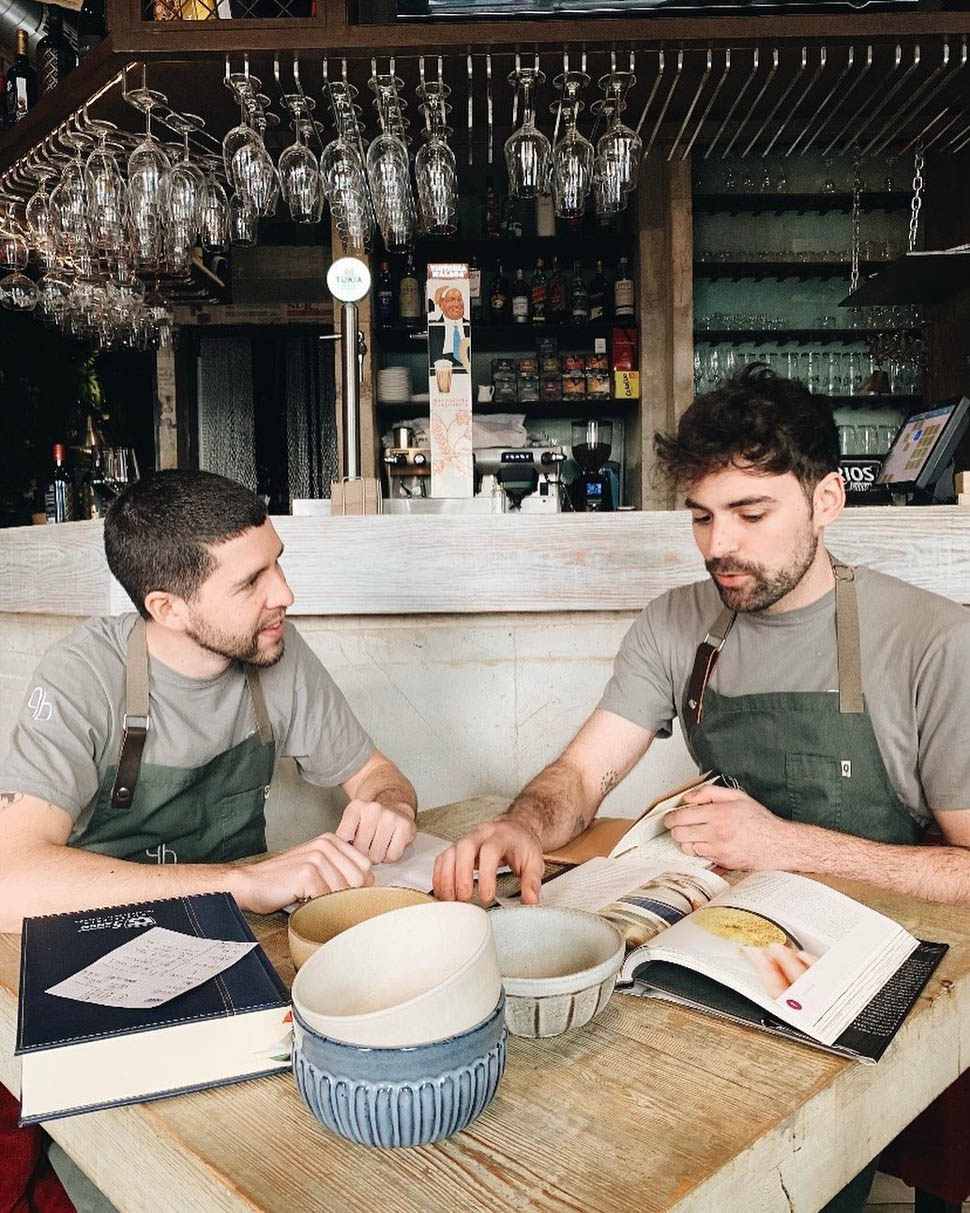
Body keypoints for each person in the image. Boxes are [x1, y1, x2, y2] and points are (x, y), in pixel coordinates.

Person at [433, 364, 970, 1211]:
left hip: (881, 955)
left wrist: (785, 845)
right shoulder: (680, 623)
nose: (719, 544)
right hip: (724, 933)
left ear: (827, 500)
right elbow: (581, 774)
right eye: (701, 516)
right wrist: (522, 825)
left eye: (751, 514)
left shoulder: (934, 642)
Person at [0, 469, 419, 935]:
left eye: (277, 563)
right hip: (105, 938)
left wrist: (390, 805)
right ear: (168, 609)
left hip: (239, 930)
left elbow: (376, 774)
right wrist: (238, 882)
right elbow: (10, 879)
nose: (285, 594)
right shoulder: (84, 674)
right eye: (249, 583)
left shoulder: (273, 646)